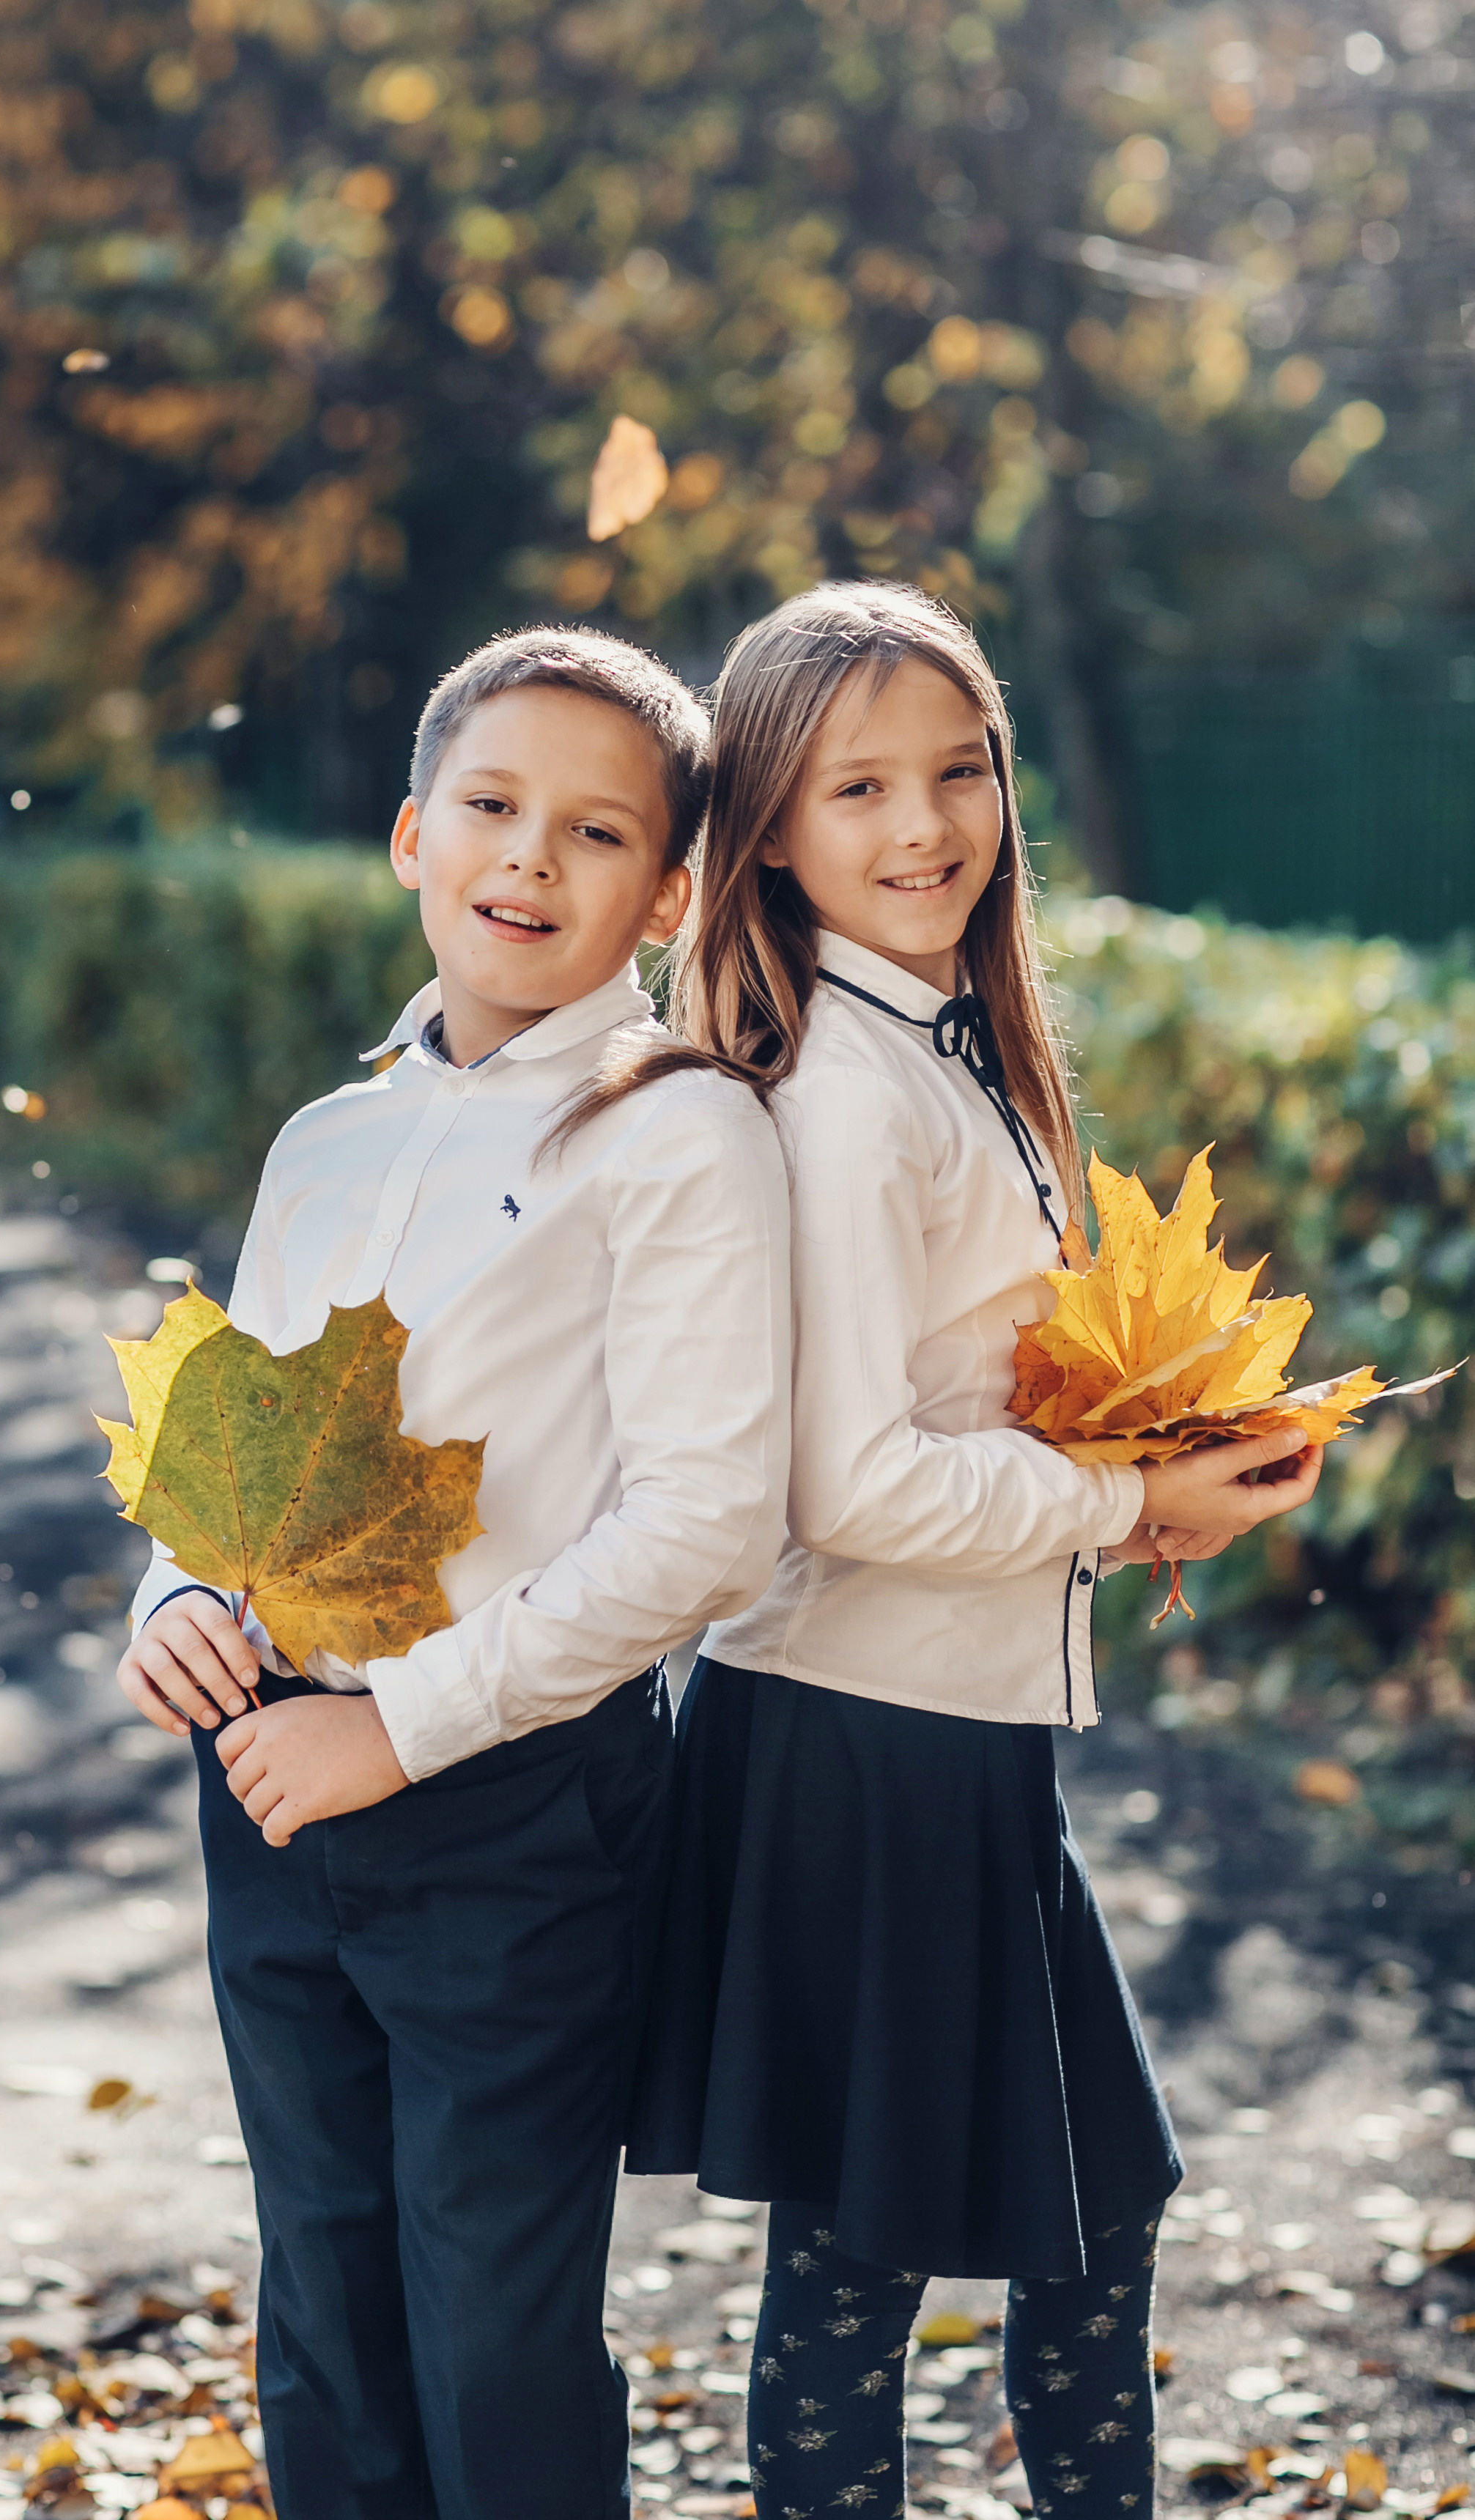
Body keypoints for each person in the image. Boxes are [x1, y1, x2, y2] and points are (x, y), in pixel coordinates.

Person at [624, 583, 1324, 2520]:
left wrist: (1160, 1444)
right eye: (858, 789)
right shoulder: (850, 1096)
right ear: (764, 826)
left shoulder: (938, 1048)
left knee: (1087, 2219)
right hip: (859, 1746)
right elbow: (845, 1487)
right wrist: (1132, 1506)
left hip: (938, 1737)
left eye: (959, 773)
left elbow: (957, 1404)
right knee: (874, 2268)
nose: (925, 827)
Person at [111, 627, 792, 2520]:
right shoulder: (328, 1139)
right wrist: (169, 1598)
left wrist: (397, 1734)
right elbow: (220, 1457)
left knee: (487, 2311)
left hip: (506, 1800)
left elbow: (705, 1527)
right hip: (265, 1775)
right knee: (324, 2294)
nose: (529, 859)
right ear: (413, 834)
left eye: (595, 834)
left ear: (665, 894)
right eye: (492, 808)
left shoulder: (675, 1135)